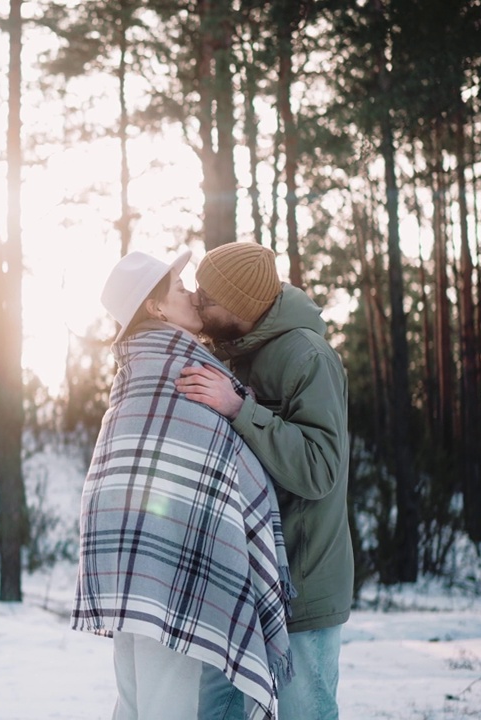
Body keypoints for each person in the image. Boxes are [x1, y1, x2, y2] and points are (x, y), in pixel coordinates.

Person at [72, 249, 294, 720]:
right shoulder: (182, 373)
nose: (193, 294)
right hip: (167, 563)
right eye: (178, 288)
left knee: (136, 702)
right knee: (165, 705)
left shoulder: (138, 371)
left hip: (129, 562)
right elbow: (225, 466)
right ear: (156, 309)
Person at [176, 242, 353, 720]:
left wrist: (240, 409)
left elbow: (321, 471)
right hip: (238, 582)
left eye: (208, 297)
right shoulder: (232, 352)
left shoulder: (307, 357)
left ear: (241, 307)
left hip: (301, 580)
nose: (196, 300)